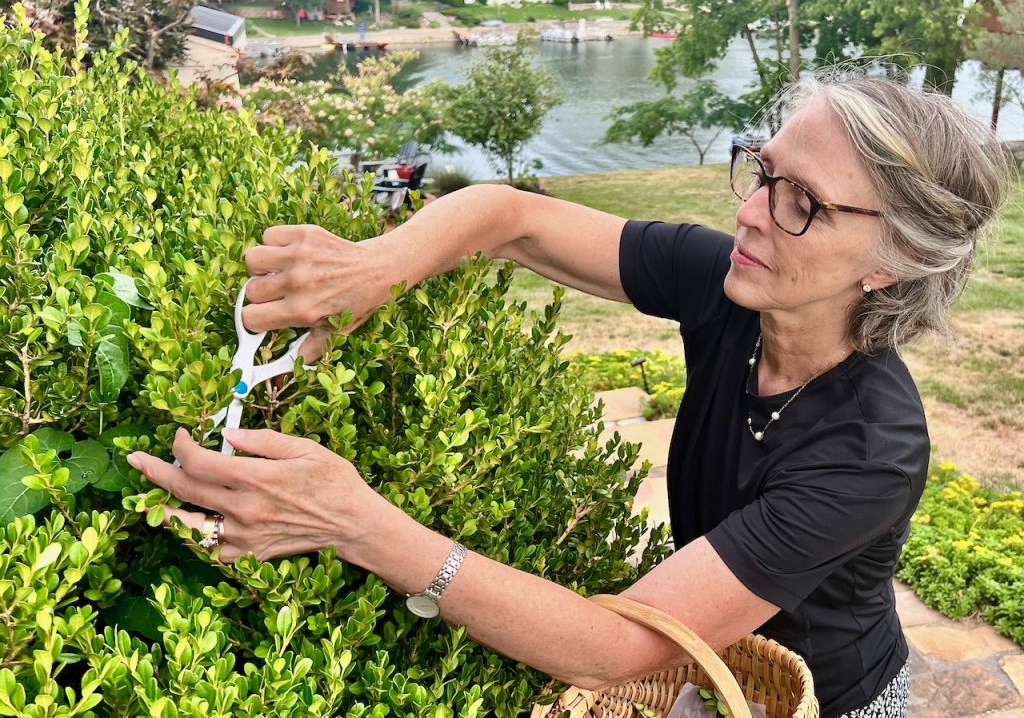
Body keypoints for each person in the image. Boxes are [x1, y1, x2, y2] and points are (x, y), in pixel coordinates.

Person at [126, 75, 1011, 717]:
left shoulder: (869, 450)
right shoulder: (732, 284)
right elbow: (515, 220)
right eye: (762, 169)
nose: (750, 211)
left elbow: (626, 645)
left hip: (826, 698)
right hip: (711, 670)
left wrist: (353, 521)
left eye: (803, 203)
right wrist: (378, 266)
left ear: (892, 259)